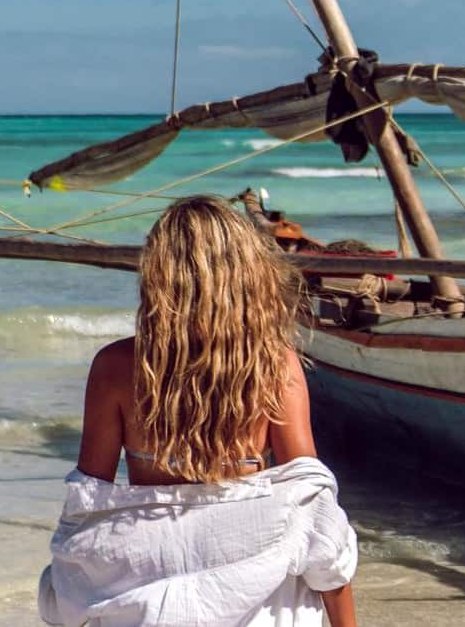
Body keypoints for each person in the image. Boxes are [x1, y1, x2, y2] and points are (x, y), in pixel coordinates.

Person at [38, 196, 359, 627]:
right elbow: (311, 496)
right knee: (307, 535)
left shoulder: (116, 366)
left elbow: (88, 503)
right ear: (247, 273)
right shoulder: (272, 363)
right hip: (246, 578)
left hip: (153, 571)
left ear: (159, 276)